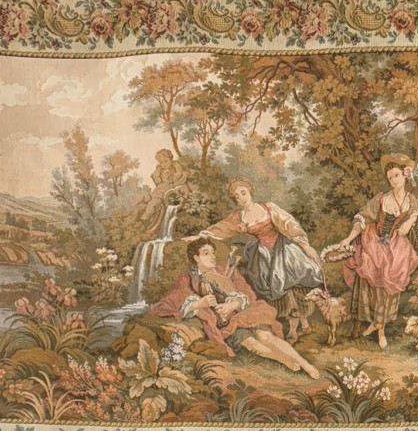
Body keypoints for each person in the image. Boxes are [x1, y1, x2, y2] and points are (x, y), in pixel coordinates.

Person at [150, 238, 319, 378]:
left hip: (246, 314)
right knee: (253, 344)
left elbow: (246, 292)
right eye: (206, 253)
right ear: (196, 258)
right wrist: (200, 304)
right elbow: (176, 298)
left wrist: (233, 304)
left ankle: (306, 364)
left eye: (213, 253)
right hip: (227, 324)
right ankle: (285, 360)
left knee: (267, 337)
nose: (212, 257)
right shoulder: (189, 278)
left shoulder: (226, 271)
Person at [196, 179, 324, 342]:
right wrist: (200, 235)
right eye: (237, 196)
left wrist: (305, 246)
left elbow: (289, 224)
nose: (241, 198)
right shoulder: (239, 217)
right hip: (263, 254)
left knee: (292, 284)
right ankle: (299, 326)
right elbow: (221, 229)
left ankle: (298, 327)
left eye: (243, 193)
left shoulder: (268, 208)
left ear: (250, 192)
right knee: (279, 287)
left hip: (283, 249)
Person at [336, 154, 418, 350]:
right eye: (390, 177)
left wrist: (410, 221)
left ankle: (379, 324)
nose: (393, 180)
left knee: (395, 271)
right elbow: (362, 218)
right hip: (374, 239)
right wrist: (349, 239)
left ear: (406, 175)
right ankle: (379, 328)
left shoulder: (412, 201)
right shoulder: (382, 198)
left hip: (396, 242)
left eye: (396, 175)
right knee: (376, 269)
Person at [135, 150, 191, 236]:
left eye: (166, 161)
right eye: (161, 162)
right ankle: (145, 217)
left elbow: (180, 174)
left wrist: (173, 179)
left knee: (169, 196)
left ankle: (147, 218)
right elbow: (156, 178)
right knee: (154, 201)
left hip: (177, 187)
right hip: (163, 188)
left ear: (170, 159)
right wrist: (160, 174)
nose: (164, 164)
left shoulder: (176, 165)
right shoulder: (160, 169)